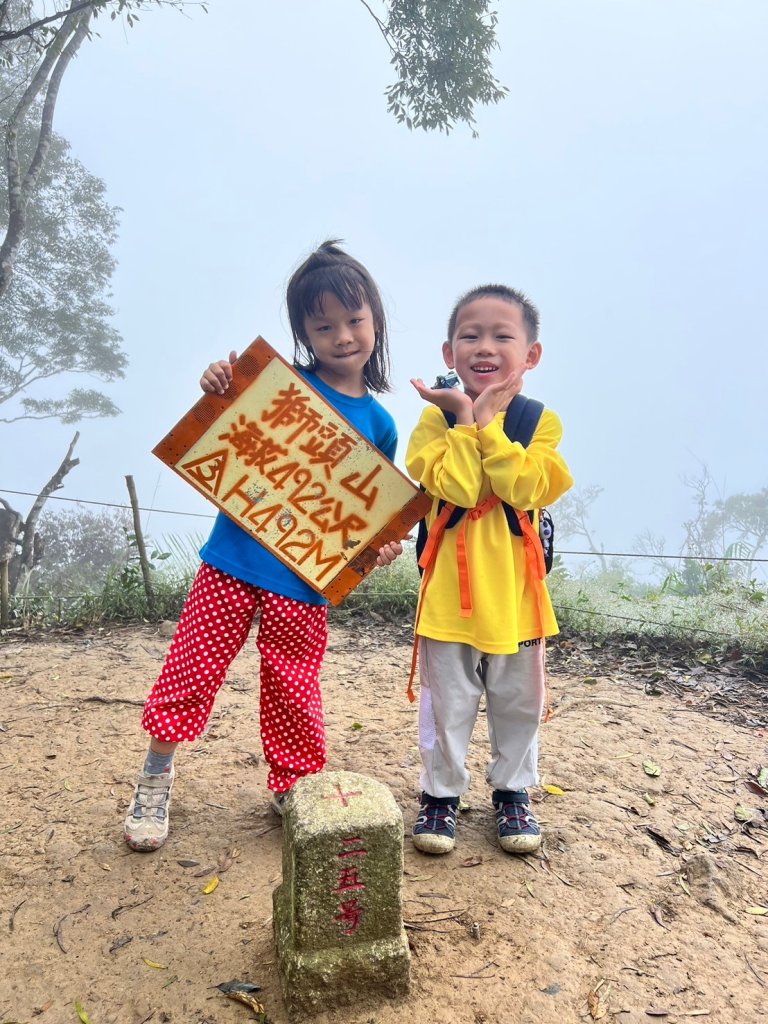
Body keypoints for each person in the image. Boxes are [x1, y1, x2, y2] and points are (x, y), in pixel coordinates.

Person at [124, 240, 403, 852]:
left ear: (376, 322)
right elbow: (224, 430)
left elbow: (365, 515)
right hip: (232, 561)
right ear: (304, 331)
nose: (342, 335)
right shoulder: (273, 386)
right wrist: (217, 385)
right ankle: (155, 773)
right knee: (191, 667)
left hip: (303, 580)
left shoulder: (381, 424)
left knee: (294, 684)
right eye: (323, 324)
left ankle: (295, 785)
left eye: (354, 320)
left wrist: (376, 550)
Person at [405, 284, 573, 856]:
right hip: (446, 600)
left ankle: (513, 793)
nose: (485, 345)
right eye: (470, 335)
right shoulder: (433, 422)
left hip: (519, 601)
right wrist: (460, 419)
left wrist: (486, 422)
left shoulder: (539, 423)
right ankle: (440, 795)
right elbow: (455, 486)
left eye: (503, 335)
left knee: (519, 705)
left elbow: (522, 486)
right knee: (446, 704)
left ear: (531, 354)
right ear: (449, 352)